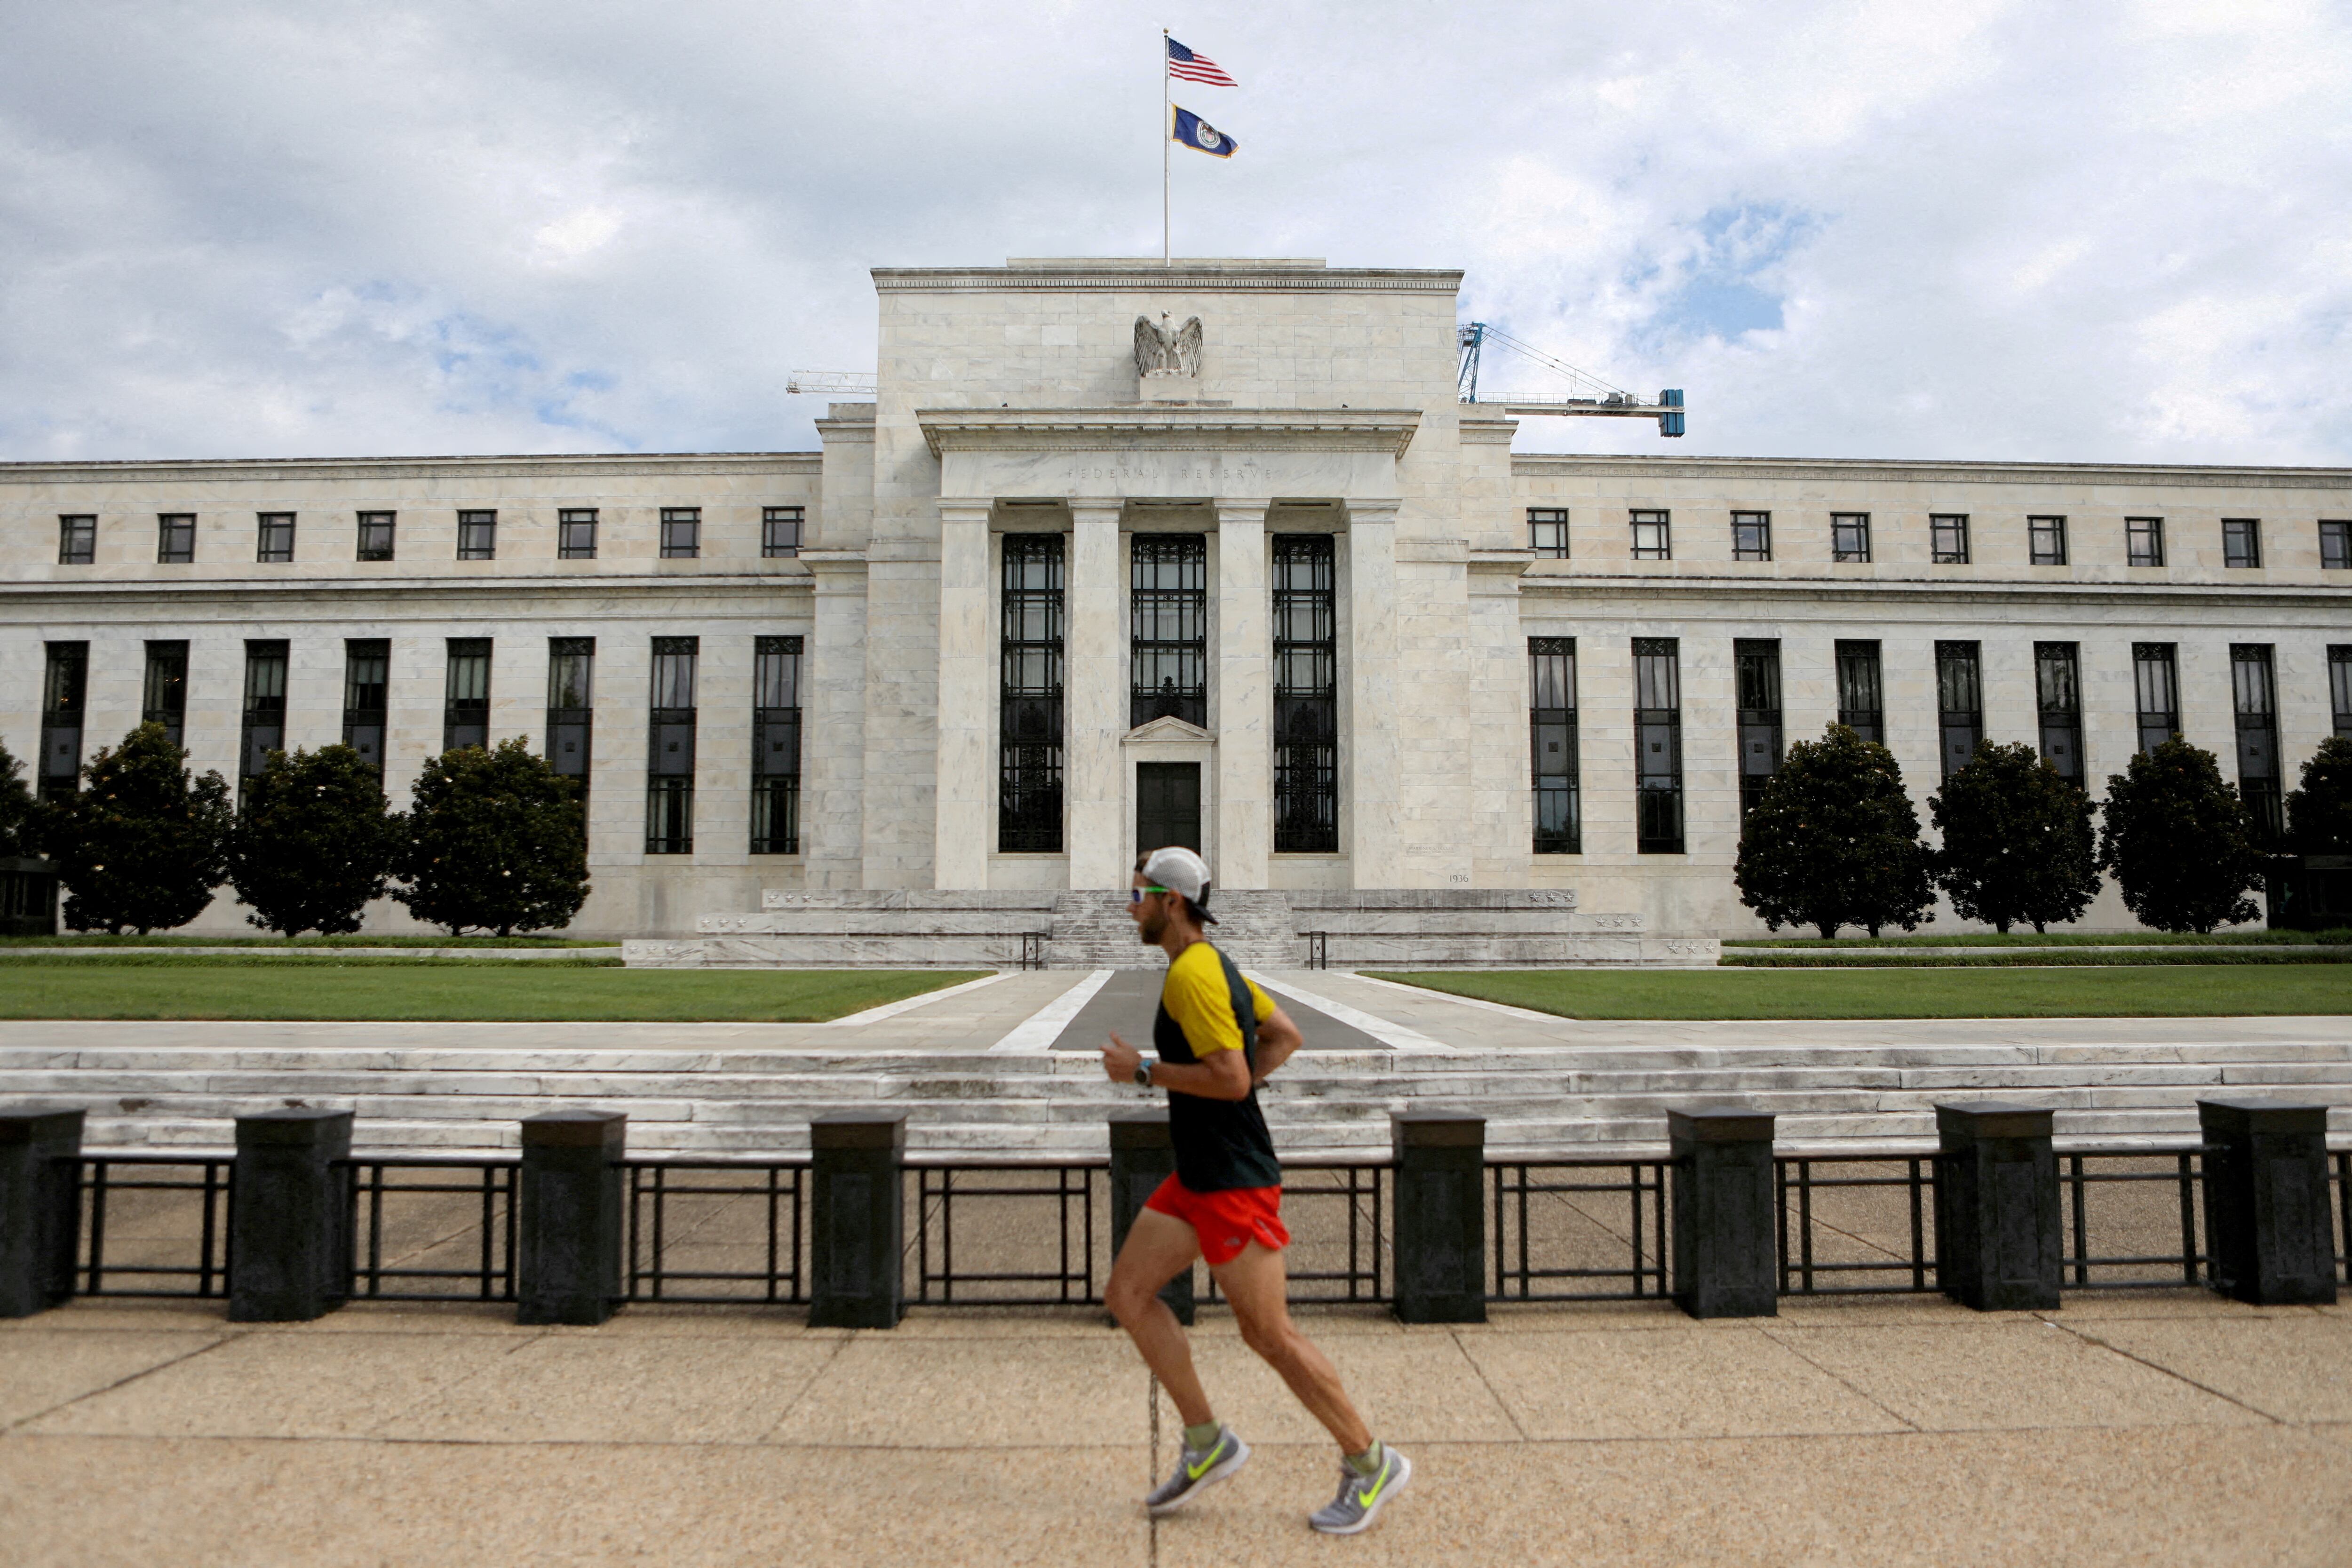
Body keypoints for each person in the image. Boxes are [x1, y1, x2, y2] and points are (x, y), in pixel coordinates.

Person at [1100, 846, 1409, 1536]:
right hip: (1200, 1172)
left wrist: (1145, 1073)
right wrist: (1222, 1098)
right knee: (1127, 1293)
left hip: (1233, 1182)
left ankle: (1370, 1459)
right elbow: (1284, 1035)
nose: (1130, 907)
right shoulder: (1214, 965)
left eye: (1138, 895)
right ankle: (1208, 1440)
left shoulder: (1194, 976)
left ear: (1170, 901)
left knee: (1269, 1334)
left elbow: (1234, 1077)